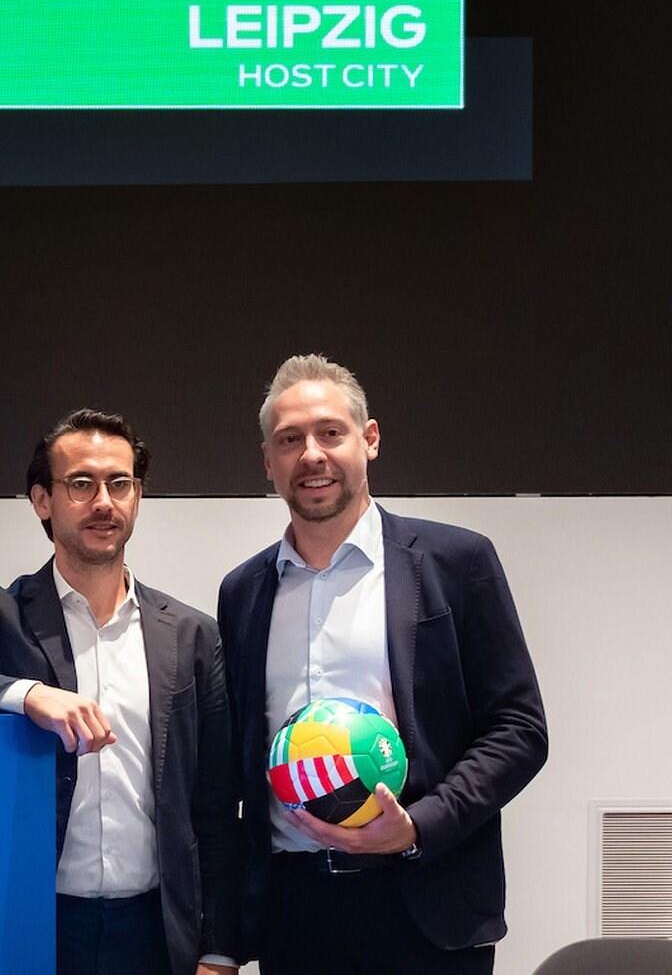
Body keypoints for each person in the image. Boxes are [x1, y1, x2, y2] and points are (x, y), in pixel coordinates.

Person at [0, 410, 241, 975]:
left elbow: (215, 806)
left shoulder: (191, 635)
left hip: (157, 931)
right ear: (42, 500)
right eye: (81, 484)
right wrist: (24, 695)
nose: (104, 502)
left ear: (138, 496)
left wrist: (219, 949)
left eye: (120, 483)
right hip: (35, 926)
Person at [217, 354, 547, 974]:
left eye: (330, 433)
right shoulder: (243, 592)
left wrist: (418, 825)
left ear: (369, 439)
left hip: (426, 903)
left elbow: (520, 730)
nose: (311, 455)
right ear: (268, 461)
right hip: (294, 914)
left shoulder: (457, 562)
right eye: (290, 440)